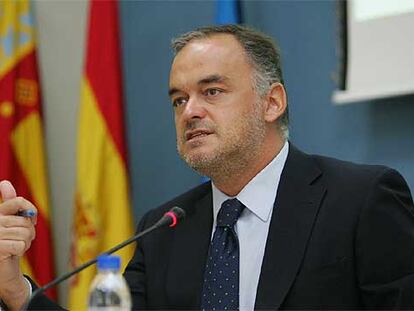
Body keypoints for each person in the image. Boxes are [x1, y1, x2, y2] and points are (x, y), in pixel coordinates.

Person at [1, 24, 414, 310]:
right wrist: (14, 288)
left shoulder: (360, 199)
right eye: (179, 100)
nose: (190, 112)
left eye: (212, 91)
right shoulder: (164, 230)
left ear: (272, 102)